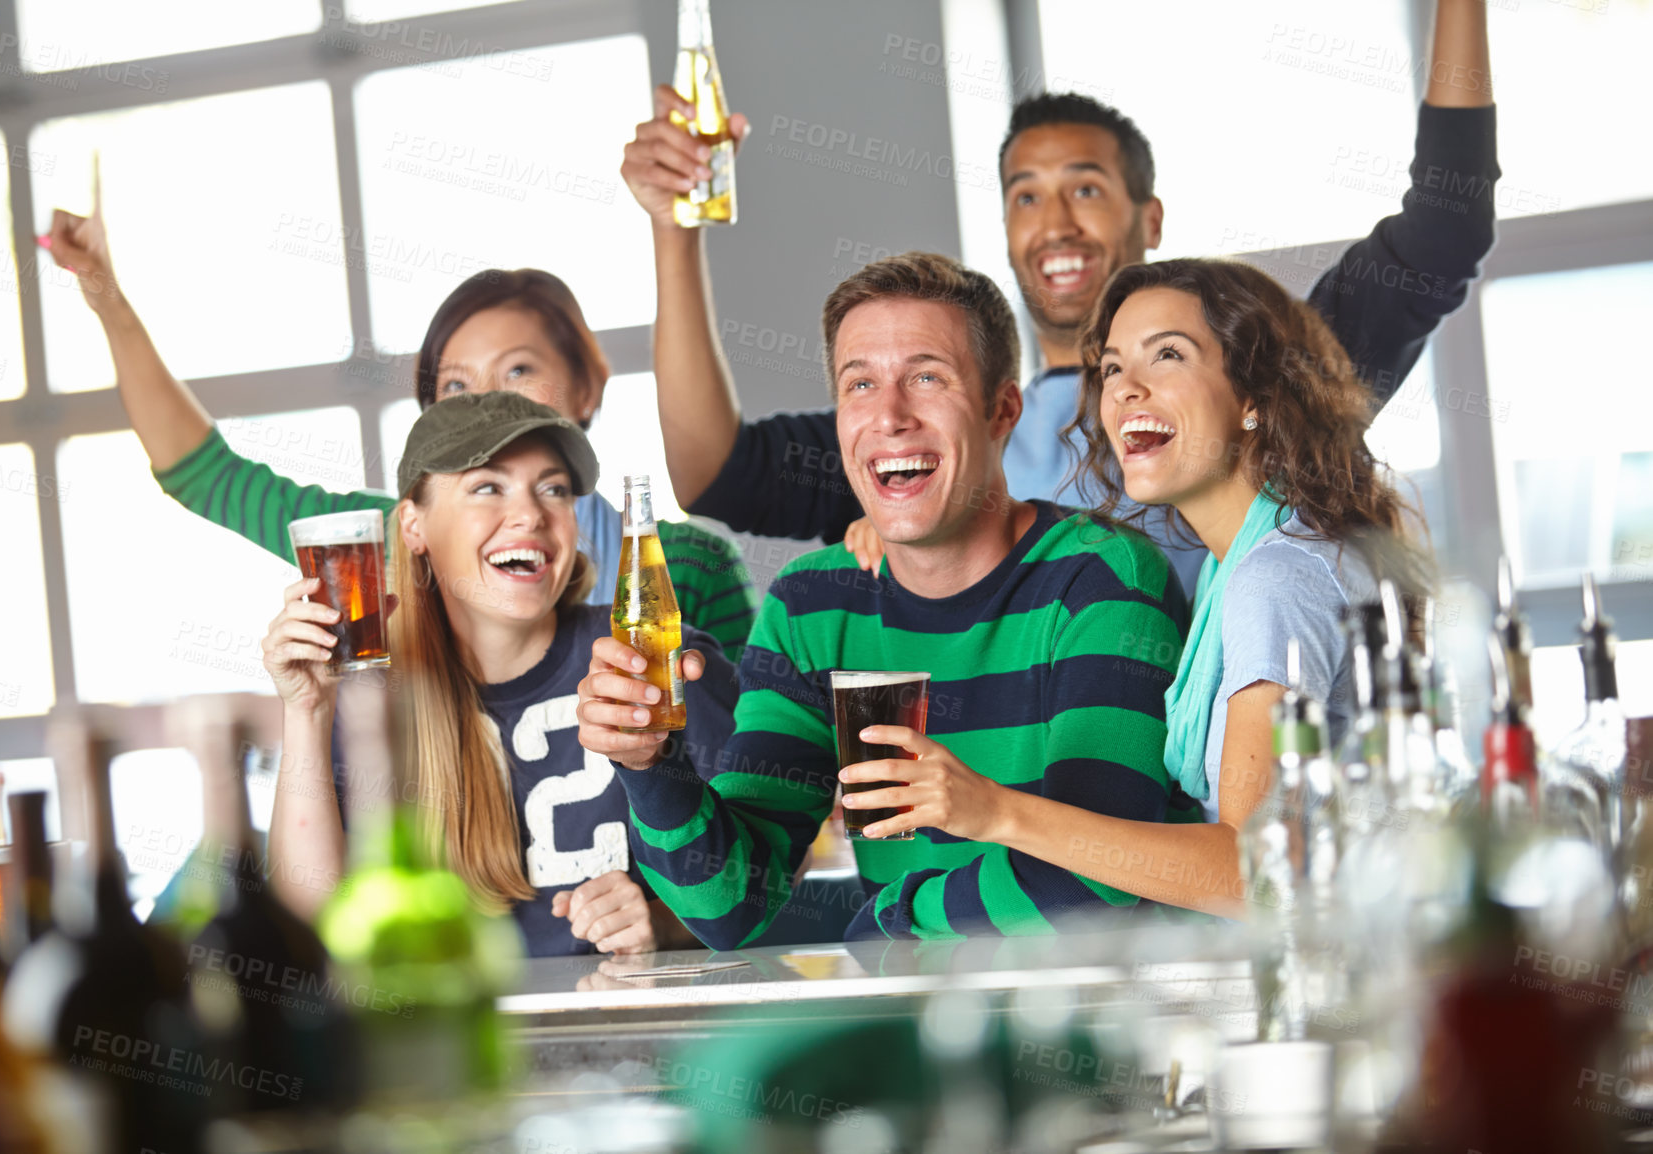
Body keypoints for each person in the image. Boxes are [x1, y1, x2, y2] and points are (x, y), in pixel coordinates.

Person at [625, 0, 1495, 594]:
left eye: (1086, 189)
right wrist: (674, 230)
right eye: (1025, 196)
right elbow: (718, 473)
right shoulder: (941, 421)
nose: (1055, 224)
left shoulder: (1250, 377)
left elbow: (1445, 223)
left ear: (1148, 218)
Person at [576, 253, 1186, 947]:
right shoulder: (814, 605)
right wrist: (652, 765)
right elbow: (730, 908)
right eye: (859, 384)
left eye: (927, 377)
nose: (889, 416)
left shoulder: (1100, 580)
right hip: (926, 1019)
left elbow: (1096, 884)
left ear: (1001, 409)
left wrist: (892, 918)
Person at [856, 258, 1427, 919]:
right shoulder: (1249, 561)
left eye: (1168, 357)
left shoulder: (1276, 581)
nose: (1127, 389)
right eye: (1114, 368)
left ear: (1254, 400)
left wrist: (995, 813)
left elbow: (1257, 876)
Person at [37, 202, 759, 661]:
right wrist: (102, 290)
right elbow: (206, 475)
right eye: (454, 387)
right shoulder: (375, 548)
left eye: (517, 373)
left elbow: (749, 781)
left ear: (587, 386)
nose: (486, 408)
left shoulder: (690, 569)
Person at [259, 391, 738, 955]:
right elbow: (309, 917)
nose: (531, 514)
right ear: (414, 526)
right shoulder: (368, 698)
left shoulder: (653, 661)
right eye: (487, 486)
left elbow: (780, 864)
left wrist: (665, 922)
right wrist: (307, 711)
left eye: (553, 489)